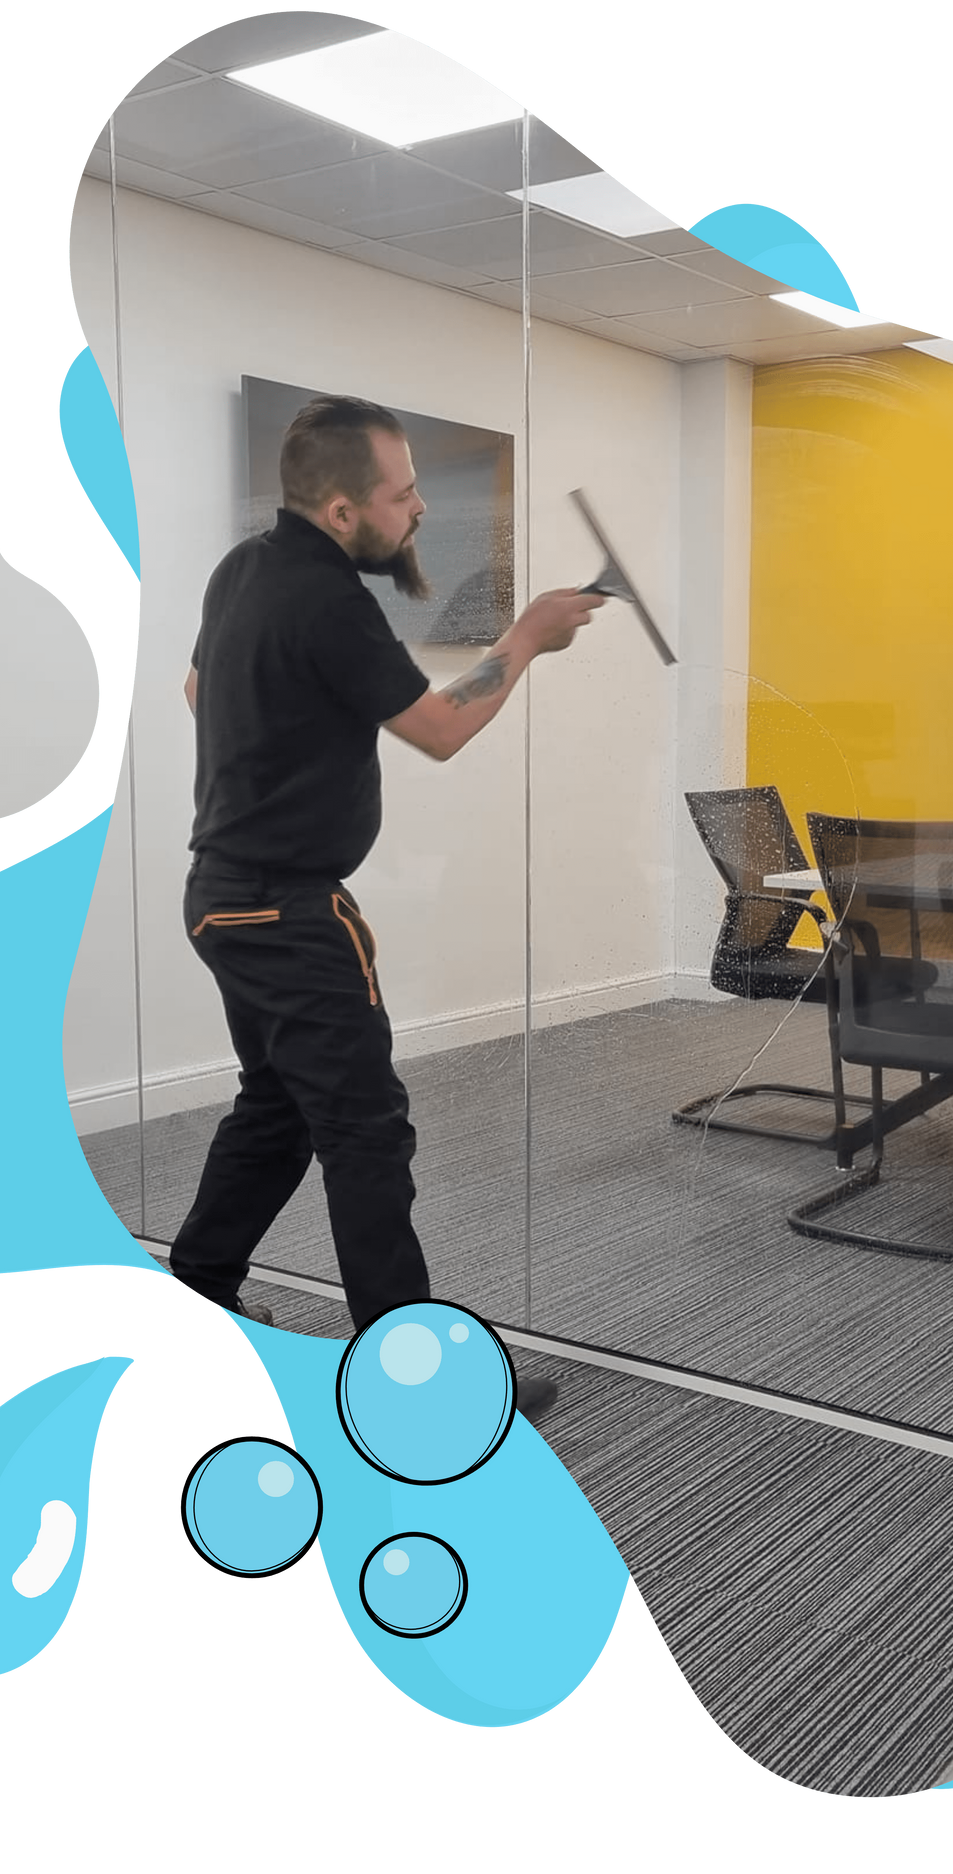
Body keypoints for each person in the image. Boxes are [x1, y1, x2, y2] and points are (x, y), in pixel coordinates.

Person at [168, 395, 605, 1423]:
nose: (417, 509)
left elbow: (197, 691)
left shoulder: (243, 568)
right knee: (367, 1132)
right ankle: (411, 1385)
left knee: (276, 1109)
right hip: (288, 911)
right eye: (400, 493)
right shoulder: (326, 598)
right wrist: (530, 636)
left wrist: (283, 735)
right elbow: (443, 727)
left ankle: (194, 1295)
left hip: (221, 899)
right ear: (338, 508)